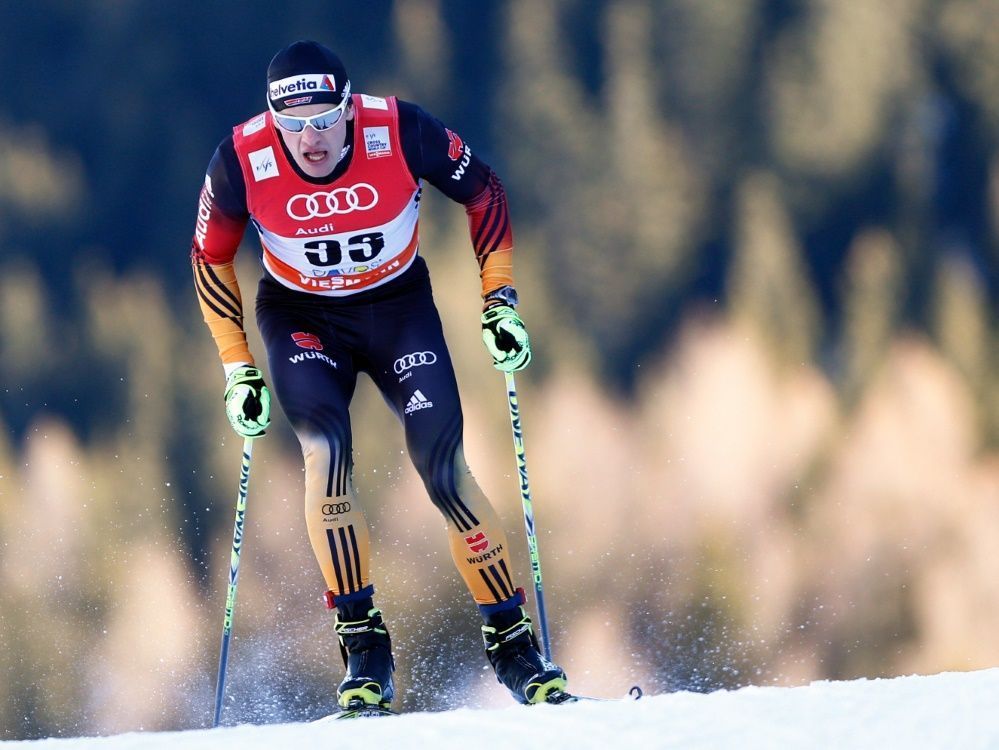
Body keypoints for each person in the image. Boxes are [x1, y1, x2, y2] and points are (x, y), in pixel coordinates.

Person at [190, 40, 567, 712]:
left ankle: (513, 647)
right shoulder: (239, 159)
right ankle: (364, 647)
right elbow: (209, 257)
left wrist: (498, 300)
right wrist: (237, 368)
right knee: (325, 456)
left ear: (348, 107)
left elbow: (485, 192)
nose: (309, 139)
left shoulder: (399, 129)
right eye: (292, 125)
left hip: (396, 310)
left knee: (443, 466)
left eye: (322, 120)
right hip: (302, 318)